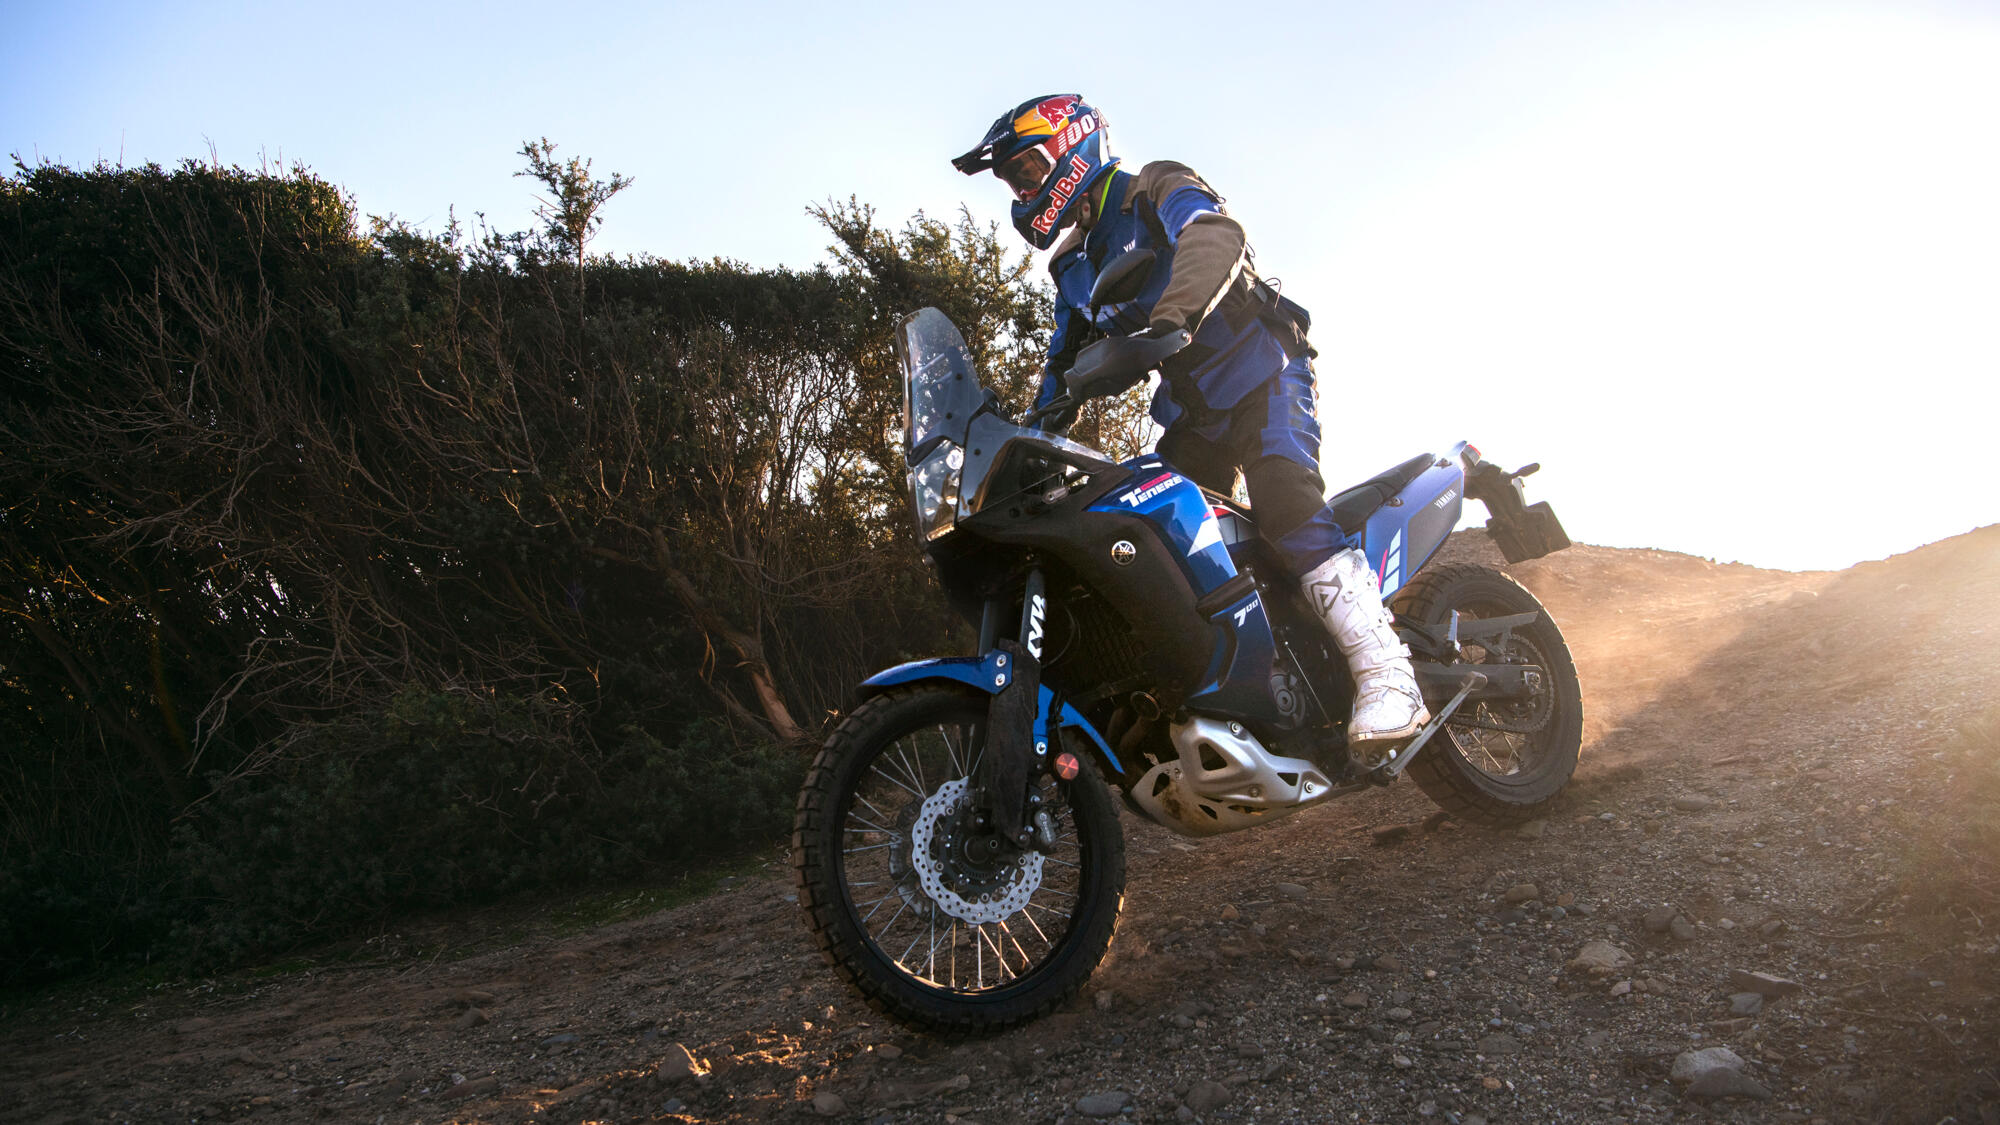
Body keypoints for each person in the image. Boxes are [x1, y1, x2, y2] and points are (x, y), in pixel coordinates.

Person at [953, 94, 1429, 750]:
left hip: (1263, 375)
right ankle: (1246, 688)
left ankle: (1387, 674)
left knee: (1286, 505)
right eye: (1015, 183)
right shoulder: (1073, 267)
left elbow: (1214, 235)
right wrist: (1024, 438)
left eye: (1029, 172)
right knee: (1159, 538)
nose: (1024, 191)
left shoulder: (1154, 187)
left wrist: (1172, 315)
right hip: (1194, 415)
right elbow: (1060, 371)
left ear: (1071, 145)